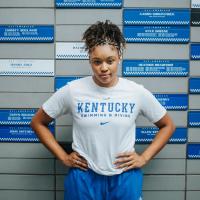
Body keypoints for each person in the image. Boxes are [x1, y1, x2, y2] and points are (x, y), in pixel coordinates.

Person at [31, 20, 175, 200]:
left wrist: (144, 158)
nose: (104, 68)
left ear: (119, 56)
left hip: (125, 178)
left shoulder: (136, 91)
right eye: (97, 62)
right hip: (83, 177)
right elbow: (38, 122)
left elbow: (167, 125)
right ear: (89, 60)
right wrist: (63, 157)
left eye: (110, 61)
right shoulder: (73, 90)